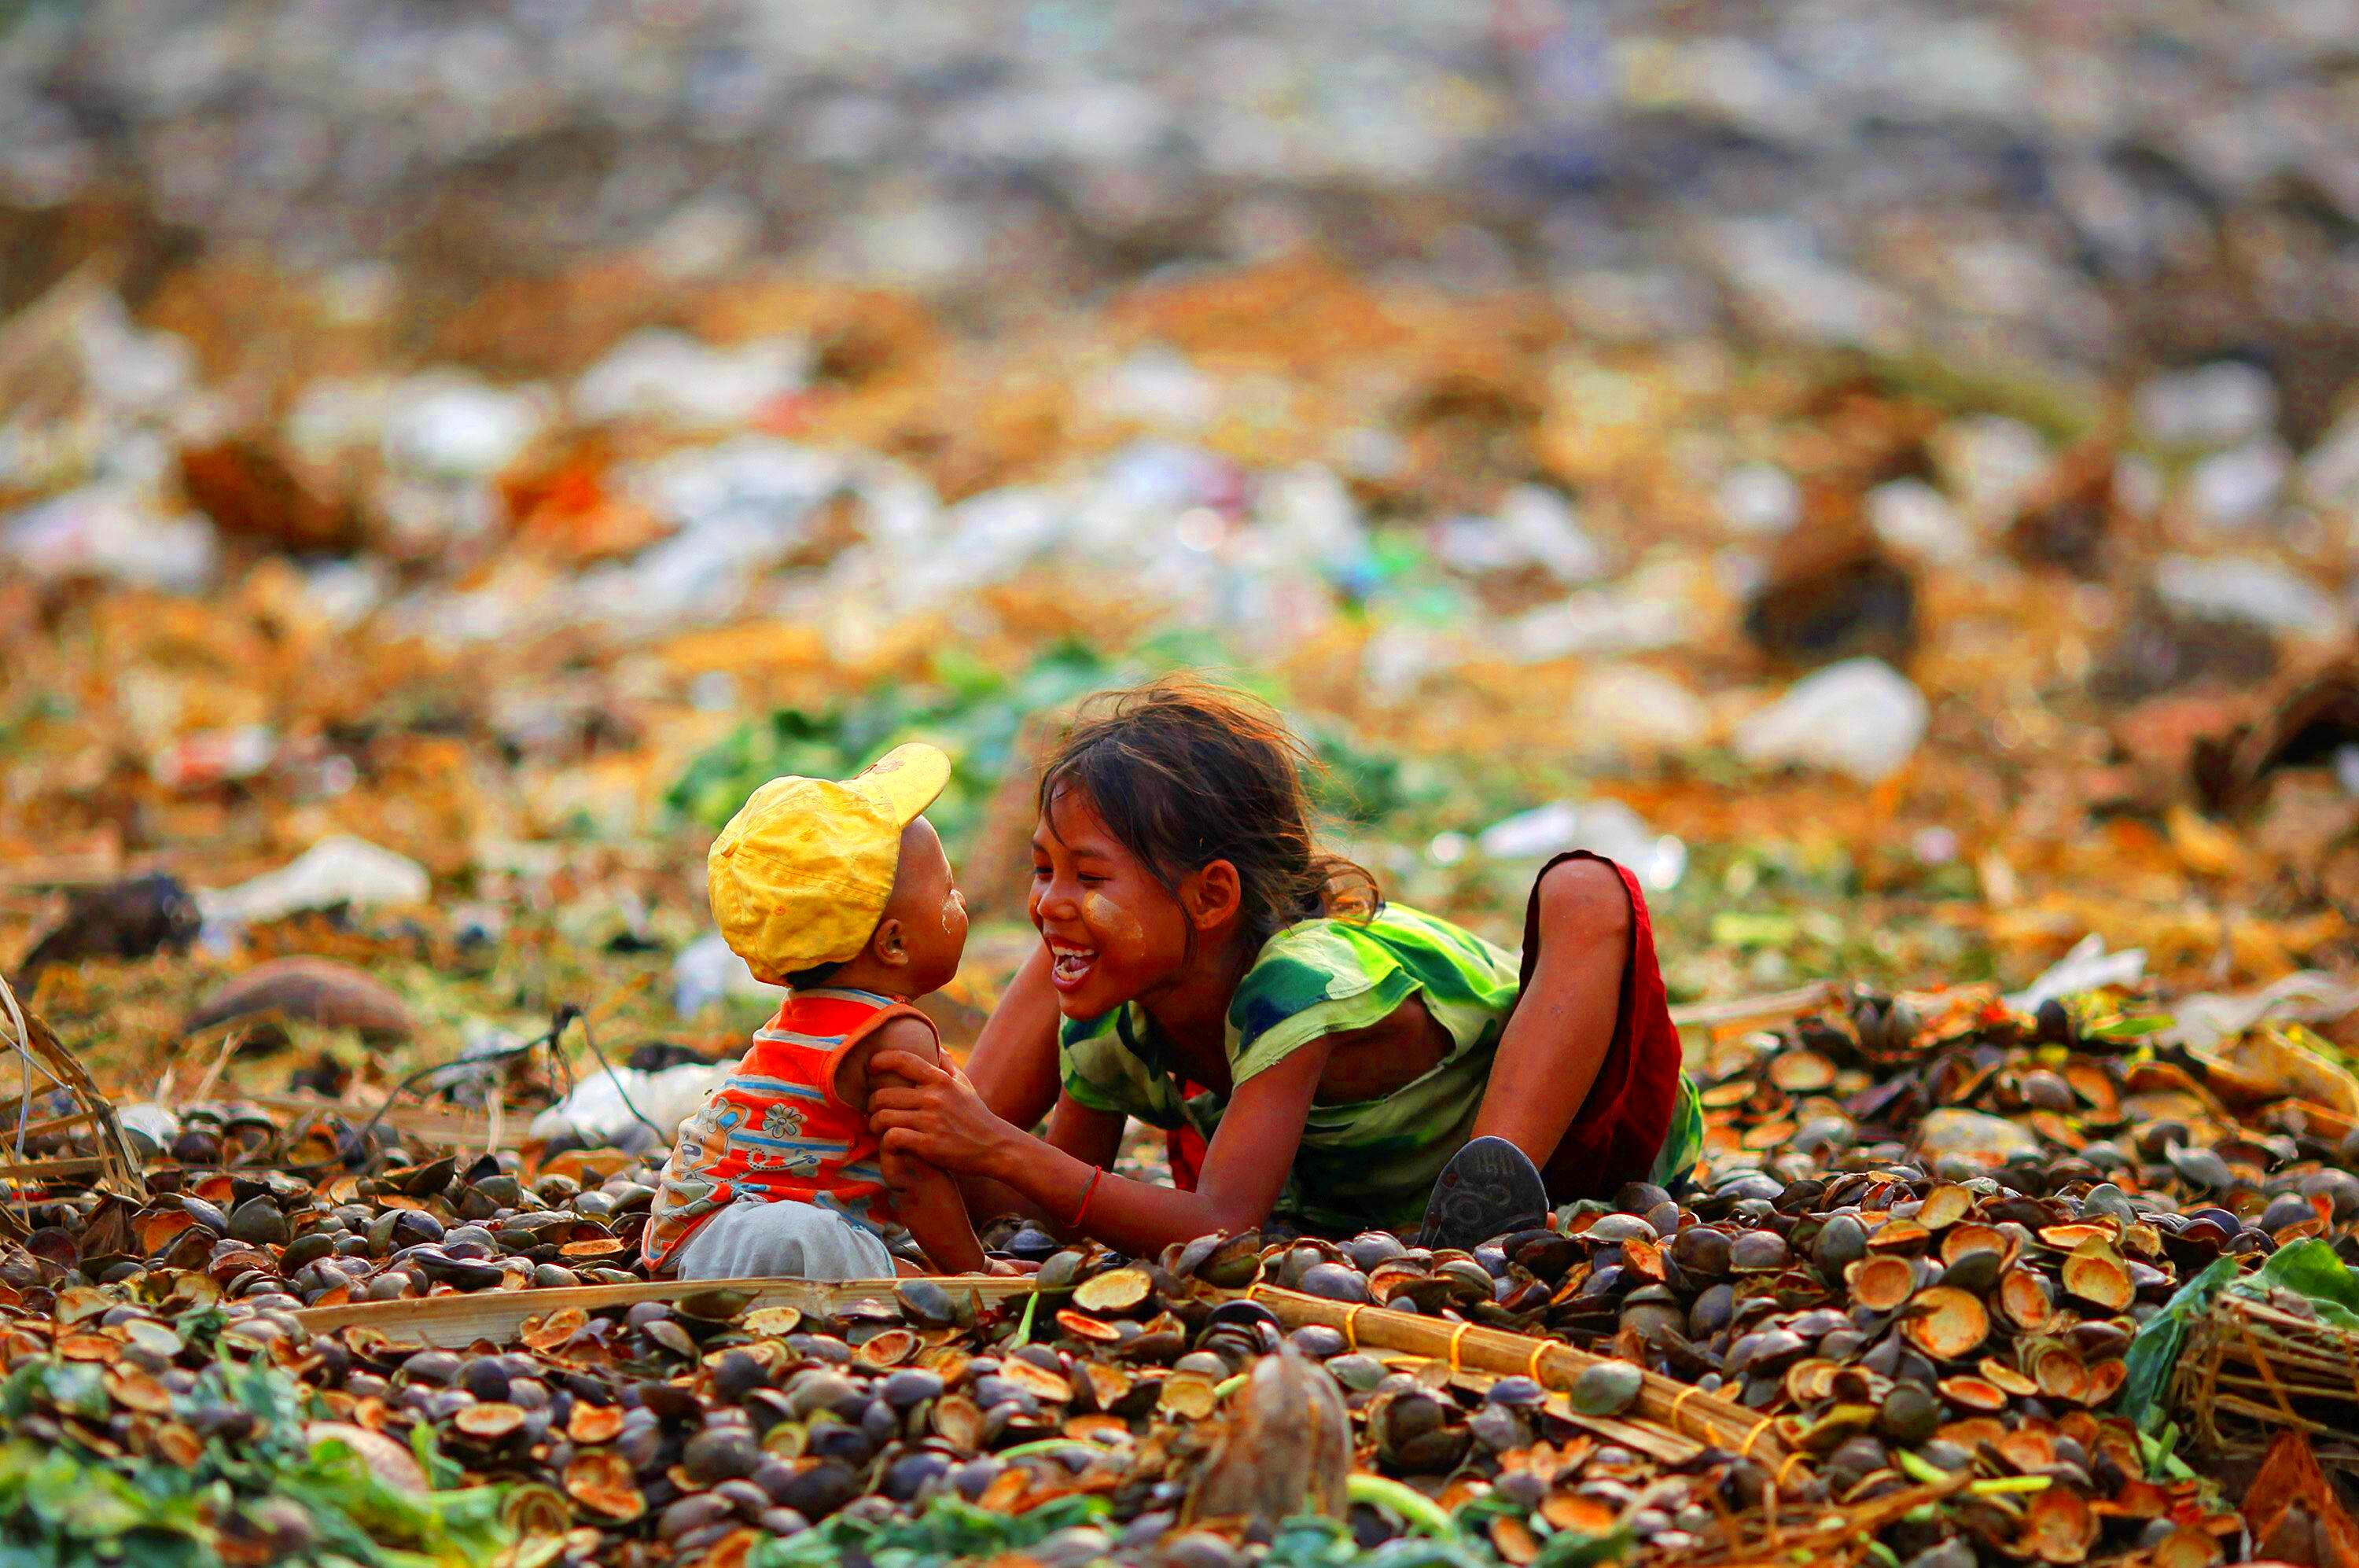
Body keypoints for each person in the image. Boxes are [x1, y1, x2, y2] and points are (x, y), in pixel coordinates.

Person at [866, 679, 1702, 1255]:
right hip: (1340, 1190)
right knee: (1067, 962)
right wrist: (937, 1145)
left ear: (1211, 895)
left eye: (1088, 874)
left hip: (1581, 1132)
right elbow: (1062, 1207)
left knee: (1586, 888)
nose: (1046, 900)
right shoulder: (1111, 1005)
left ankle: (1487, 1186)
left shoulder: (1296, 982)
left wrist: (996, 1147)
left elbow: (1222, 1222)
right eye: (1042, 868)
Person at [641, 742, 996, 1280]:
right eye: (948, 892)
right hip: (750, 1235)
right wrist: (974, 1269)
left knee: (832, 1238)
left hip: (686, 1224)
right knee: (816, 1241)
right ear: (893, 945)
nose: (961, 901)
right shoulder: (895, 1036)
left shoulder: (806, 1014)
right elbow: (914, 1178)